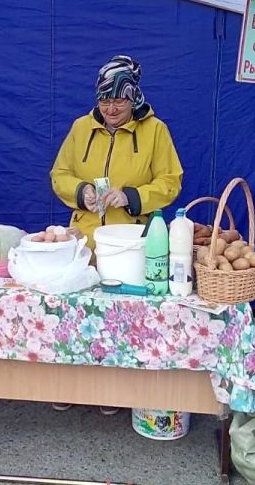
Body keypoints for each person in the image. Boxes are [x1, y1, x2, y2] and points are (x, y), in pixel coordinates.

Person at [49, 54, 183, 415]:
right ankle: (69, 384)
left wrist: (132, 196)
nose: (110, 108)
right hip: (84, 239)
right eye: (104, 100)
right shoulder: (81, 129)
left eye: (119, 100)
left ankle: (112, 390)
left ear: (134, 97)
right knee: (75, 315)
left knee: (120, 319)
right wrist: (81, 192)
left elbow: (171, 183)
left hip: (131, 244)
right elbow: (59, 174)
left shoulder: (156, 131)